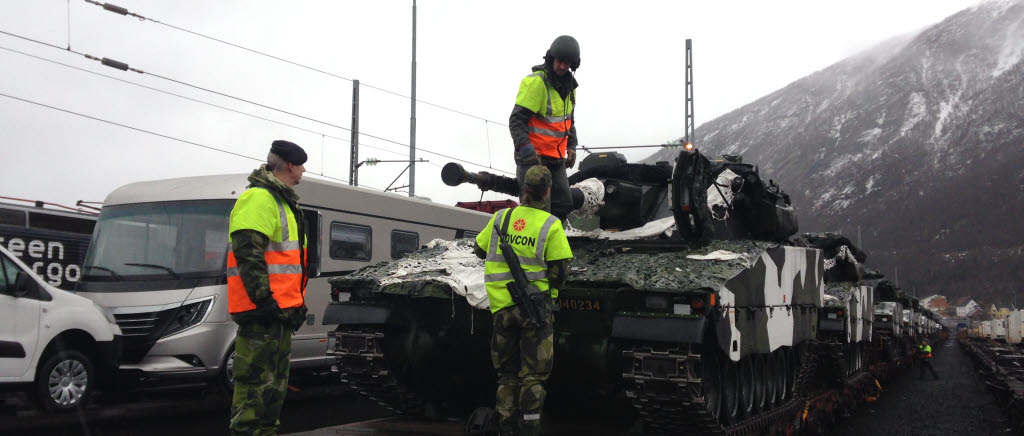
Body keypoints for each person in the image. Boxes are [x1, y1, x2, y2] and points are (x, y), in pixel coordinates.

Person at [474, 166, 573, 436]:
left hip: (502, 308)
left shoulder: (500, 218)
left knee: (507, 374)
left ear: (524, 190)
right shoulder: (550, 225)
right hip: (535, 311)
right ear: (548, 192)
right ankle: (529, 426)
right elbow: (560, 272)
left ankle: (505, 425)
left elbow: (479, 250)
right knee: (533, 375)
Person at [227, 140, 310, 435]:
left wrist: (296, 305)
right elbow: (248, 253)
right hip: (262, 312)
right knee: (253, 388)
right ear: (290, 165)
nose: (303, 171)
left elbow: (289, 265)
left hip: (279, 313)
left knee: (272, 389)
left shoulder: (282, 202)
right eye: (301, 165)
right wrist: (264, 301)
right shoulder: (260, 198)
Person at [509, 35, 581, 221]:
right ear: (551, 59)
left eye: (568, 63)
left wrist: (571, 145)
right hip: (533, 159)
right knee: (537, 212)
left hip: (556, 160)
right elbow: (516, 121)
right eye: (560, 61)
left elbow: (568, 120)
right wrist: (528, 153)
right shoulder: (537, 83)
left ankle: (552, 244)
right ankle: (533, 248)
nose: (563, 66)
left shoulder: (570, 88)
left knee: (563, 205)